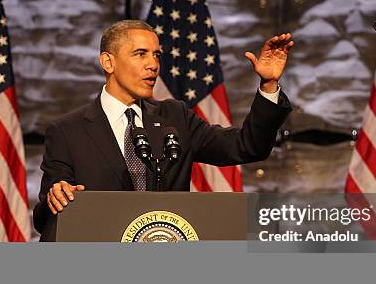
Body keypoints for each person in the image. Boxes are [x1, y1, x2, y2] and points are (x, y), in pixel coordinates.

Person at [33, 19, 294, 241]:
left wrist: (269, 85)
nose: (153, 65)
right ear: (108, 62)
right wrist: (56, 195)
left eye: (156, 55)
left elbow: (246, 146)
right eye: (140, 54)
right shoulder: (68, 131)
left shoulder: (175, 117)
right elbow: (46, 212)